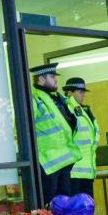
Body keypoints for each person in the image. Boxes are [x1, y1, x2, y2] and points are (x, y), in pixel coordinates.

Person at [29, 64, 81, 205]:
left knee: (64, 203)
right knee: (50, 203)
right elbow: (27, 125)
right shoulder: (35, 98)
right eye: (52, 77)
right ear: (41, 79)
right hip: (48, 161)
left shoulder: (57, 99)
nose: (56, 80)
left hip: (62, 159)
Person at [64, 77, 100, 198]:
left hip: (87, 171)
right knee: (76, 210)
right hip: (74, 172)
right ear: (70, 93)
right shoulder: (67, 110)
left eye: (83, 91)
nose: (83, 94)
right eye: (80, 91)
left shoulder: (85, 111)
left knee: (86, 208)